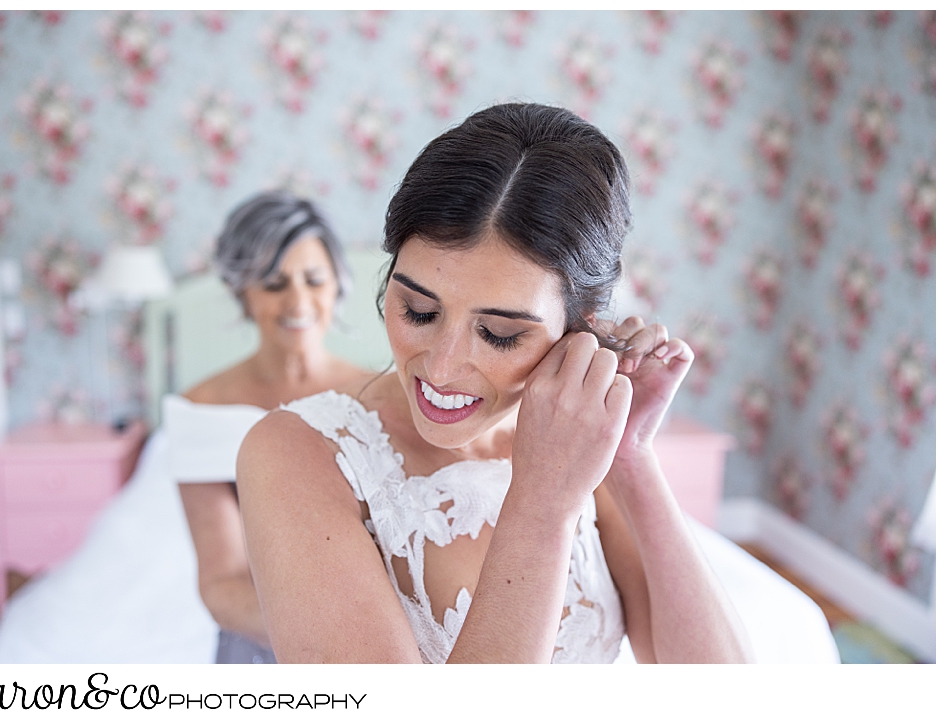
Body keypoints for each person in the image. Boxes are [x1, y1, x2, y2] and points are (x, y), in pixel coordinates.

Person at [237, 104, 754, 663]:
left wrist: (630, 455)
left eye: (500, 334)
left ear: (578, 329)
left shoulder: (583, 434)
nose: (441, 368)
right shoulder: (294, 454)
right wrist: (541, 506)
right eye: (418, 311)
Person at [166, 191, 374, 663]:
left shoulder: (383, 394)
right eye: (274, 284)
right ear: (242, 291)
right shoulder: (201, 408)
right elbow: (221, 584)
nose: (298, 301)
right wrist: (329, 648)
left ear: (337, 285)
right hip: (262, 638)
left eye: (314, 279)